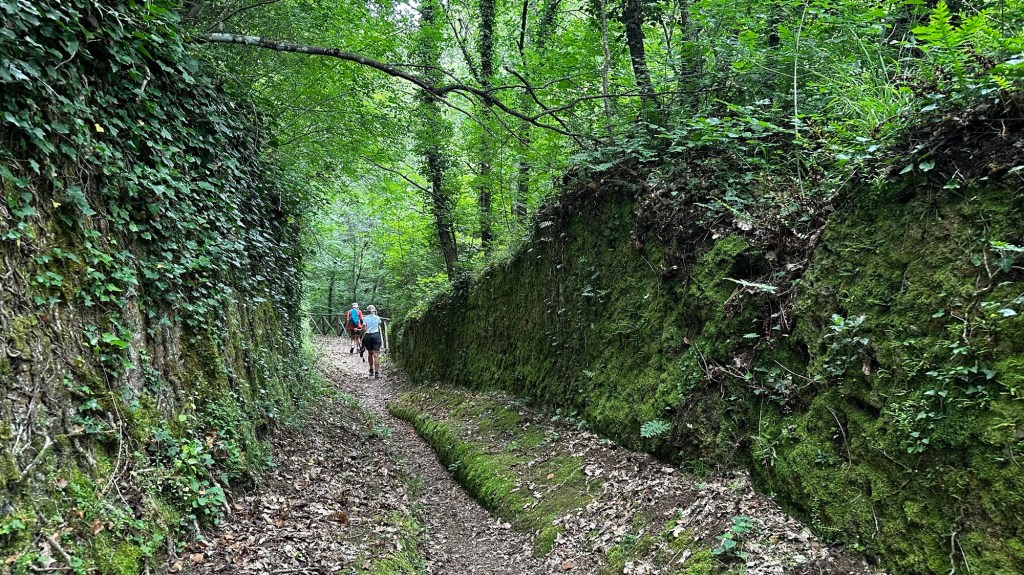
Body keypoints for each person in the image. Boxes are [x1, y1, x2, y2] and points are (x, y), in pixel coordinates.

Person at [361, 305, 383, 379]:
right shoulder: (378, 318)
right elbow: (379, 323)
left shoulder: (365, 318)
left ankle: (371, 370)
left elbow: (364, 329)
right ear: (374, 310)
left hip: (368, 336)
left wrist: (359, 330)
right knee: (376, 354)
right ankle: (376, 373)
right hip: (376, 335)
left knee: (370, 354)